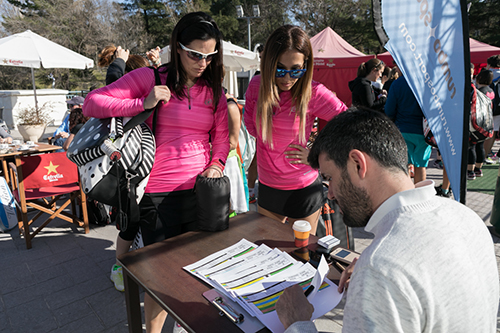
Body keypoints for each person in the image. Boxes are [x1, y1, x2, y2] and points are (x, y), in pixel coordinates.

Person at [276, 108, 499, 332]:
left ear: (357, 164)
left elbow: (393, 270)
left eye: (329, 178)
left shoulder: (380, 270)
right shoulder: (466, 216)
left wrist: (298, 323)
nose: (330, 193)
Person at [83, 12, 228, 333]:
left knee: (199, 272)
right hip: (156, 194)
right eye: (195, 54)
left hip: (202, 193)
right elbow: (92, 103)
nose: (202, 62)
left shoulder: (214, 89)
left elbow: (221, 136)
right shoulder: (152, 78)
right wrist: (142, 103)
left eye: (209, 55)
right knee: (161, 278)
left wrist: (217, 163)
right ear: (177, 48)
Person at [244, 25, 347, 234]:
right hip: (268, 187)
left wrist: (318, 153)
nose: (287, 77)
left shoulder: (314, 92)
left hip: (304, 189)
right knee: (270, 255)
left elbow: (348, 123)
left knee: (302, 255)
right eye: (280, 69)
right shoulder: (256, 86)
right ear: (268, 64)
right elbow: (251, 128)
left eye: (296, 70)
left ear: (306, 66)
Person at [96, 45, 152, 292]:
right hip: (130, 171)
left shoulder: (149, 95)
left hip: (144, 169)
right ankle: (119, 266)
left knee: (134, 222)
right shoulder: (128, 99)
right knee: (130, 222)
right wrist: (118, 63)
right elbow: (112, 88)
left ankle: (128, 264)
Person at [385, 75, 432, 184]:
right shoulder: (428, 83)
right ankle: (420, 196)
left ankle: (406, 194)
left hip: (403, 129)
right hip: (424, 132)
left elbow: (389, 110)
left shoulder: (397, 83)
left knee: (404, 165)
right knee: (420, 165)